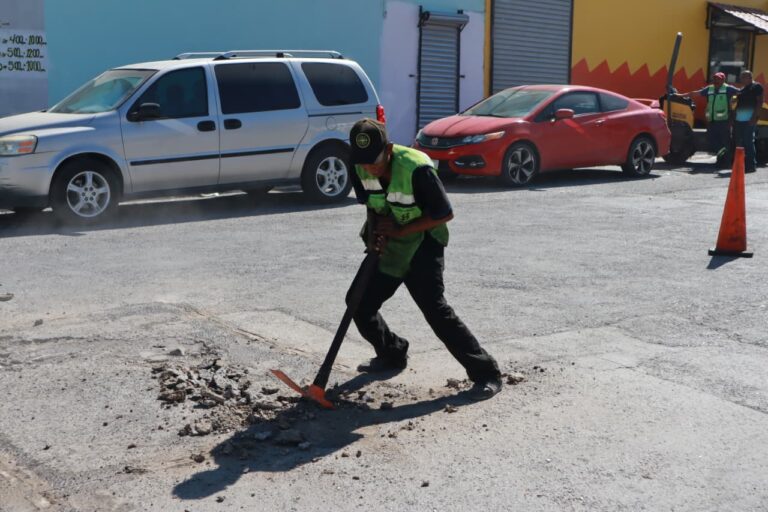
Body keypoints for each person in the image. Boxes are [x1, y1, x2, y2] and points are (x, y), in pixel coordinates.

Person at [346, 118, 502, 400]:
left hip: (423, 243)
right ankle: (393, 352)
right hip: (391, 243)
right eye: (364, 162)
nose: (370, 167)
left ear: (390, 149)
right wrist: (373, 235)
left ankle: (486, 372)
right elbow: (373, 205)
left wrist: (401, 229)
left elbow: (445, 213)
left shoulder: (417, 168)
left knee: (435, 310)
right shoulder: (358, 164)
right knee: (358, 302)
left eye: (375, 161)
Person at [683, 72, 740, 164]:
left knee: (725, 141)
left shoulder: (729, 89)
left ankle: (727, 161)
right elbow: (695, 94)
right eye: (714, 79)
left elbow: (739, 93)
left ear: (723, 80)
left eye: (718, 79)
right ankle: (722, 158)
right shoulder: (709, 89)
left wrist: (733, 113)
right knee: (713, 140)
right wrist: (680, 95)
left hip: (724, 121)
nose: (716, 80)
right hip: (712, 121)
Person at [733, 70, 764, 173]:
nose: (741, 79)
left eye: (743, 77)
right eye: (741, 77)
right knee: (740, 143)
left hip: (749, 120)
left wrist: (754, 117)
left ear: (750, 77)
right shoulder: (742, 89)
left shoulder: (756, 87)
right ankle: (742, 164)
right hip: (739, 120)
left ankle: (751, 165)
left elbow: (760, 102)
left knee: (748, 142)